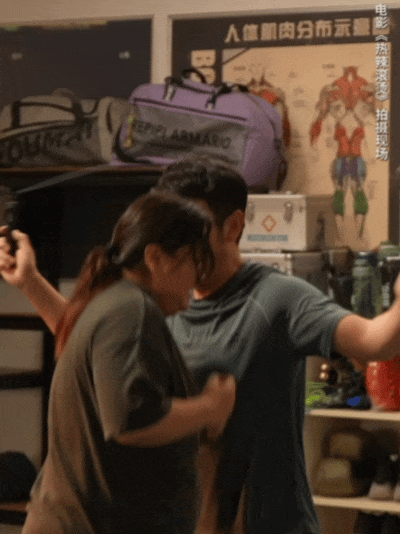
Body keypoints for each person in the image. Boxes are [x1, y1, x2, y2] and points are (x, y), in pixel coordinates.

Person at [1, 157, 400, 534]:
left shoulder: (277, 298)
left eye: (195, 226)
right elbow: (93, 349)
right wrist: (31, 282)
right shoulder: (155, 299)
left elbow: (374, 341)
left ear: (233, 226)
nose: (180, 235)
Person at [0, 189, 237, 534]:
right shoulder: (131, 310)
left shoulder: (116, 303)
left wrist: (30, 282)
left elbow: (74, 336)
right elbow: (132, 420)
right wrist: (210, 408)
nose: (197, 277)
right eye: (193, 262)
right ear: (156, 257)